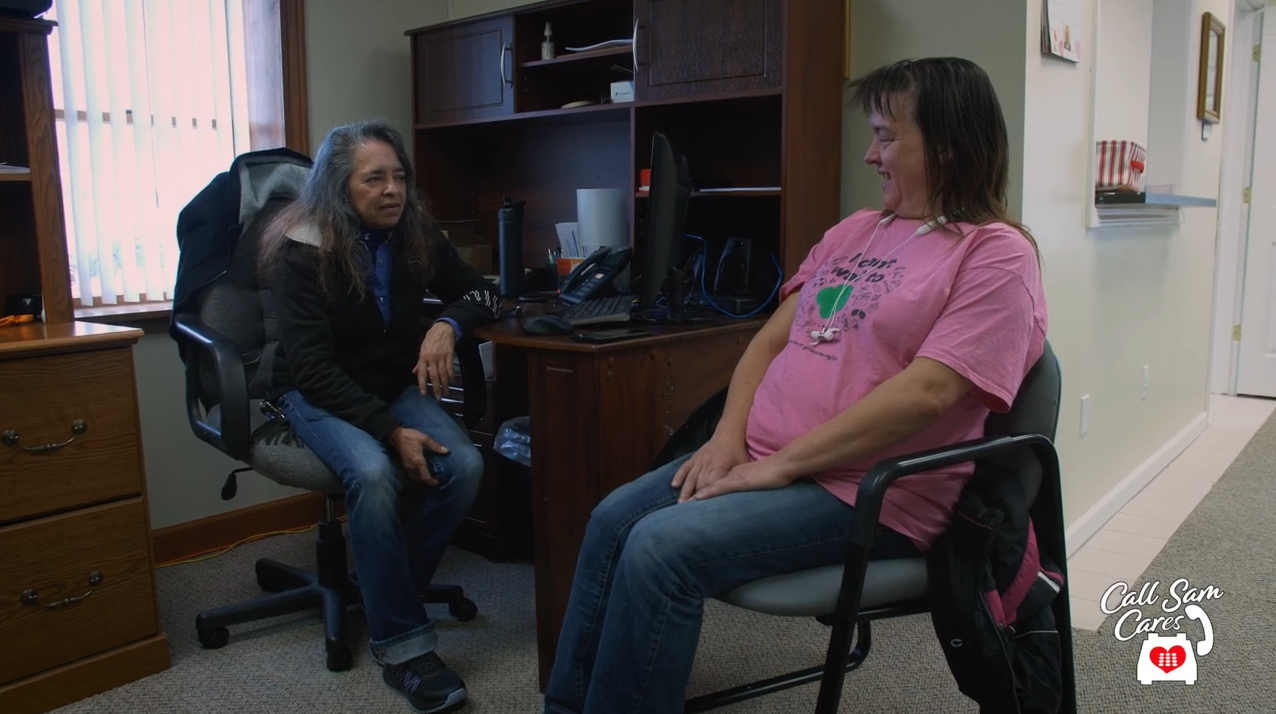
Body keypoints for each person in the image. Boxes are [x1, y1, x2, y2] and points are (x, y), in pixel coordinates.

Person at [543, 57, 1049, 714]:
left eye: (887, 137)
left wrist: (778, 467)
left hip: (869, 492)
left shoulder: (996, 255)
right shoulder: (856, 231)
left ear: (950, 146)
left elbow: (927, 394)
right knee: (611, 519)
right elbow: (770, 340)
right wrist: (729, 439)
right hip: (770, 459)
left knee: (661, 550)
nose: (871, 155)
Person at [258, 119, 501, 714]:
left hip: (387, 384)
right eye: (374, 179)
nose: (393, 190)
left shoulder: (412, 232)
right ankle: (403, 649)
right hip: (316, 392)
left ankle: (385, 592)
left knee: (465, 466)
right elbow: (312, 371)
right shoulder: (303, 249)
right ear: (339, 188)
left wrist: (447, 324)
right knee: (372, 473)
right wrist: (391, 432)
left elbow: (485, 292)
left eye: (399, 176)